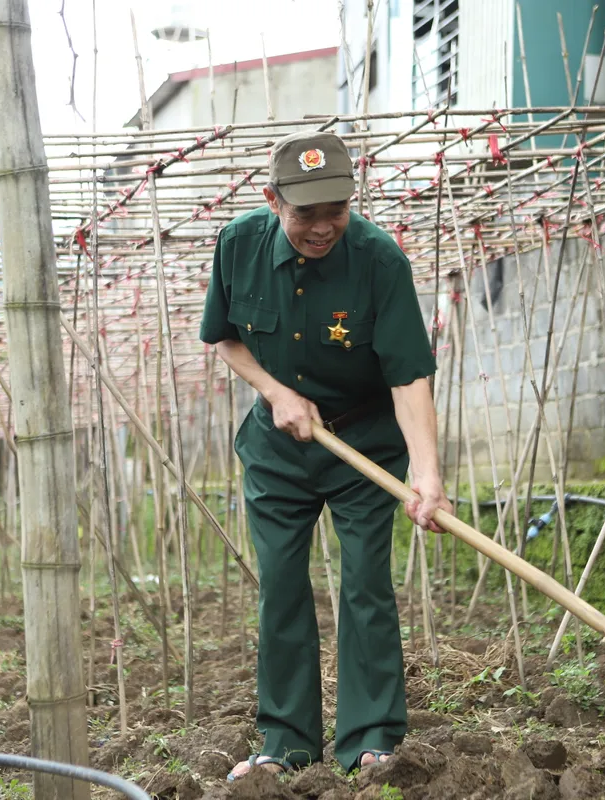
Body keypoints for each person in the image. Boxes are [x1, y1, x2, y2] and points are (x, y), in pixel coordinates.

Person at [198, 130, 452, 780]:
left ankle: (371, 741)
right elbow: (225, 339)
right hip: (278, 449)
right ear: (272, 200)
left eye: (335, 209)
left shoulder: (378, 262)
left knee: (366, 583)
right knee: (282, 586)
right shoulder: (238, 247)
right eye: (305, 212)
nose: (322, 226)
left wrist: (427, 476)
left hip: (362, 443)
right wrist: (275, 391)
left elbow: (409, 376)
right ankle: (285, 745)